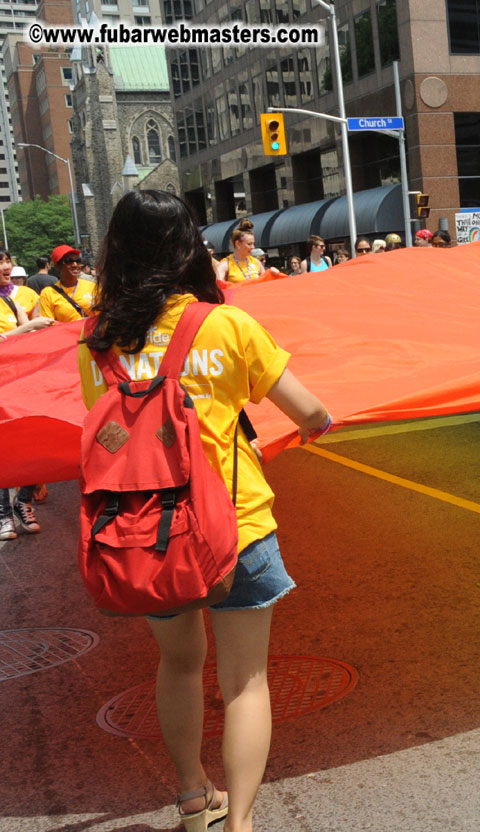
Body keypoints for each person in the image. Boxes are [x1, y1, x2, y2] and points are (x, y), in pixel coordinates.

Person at [78, 190, 330, 832]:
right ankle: (240, 824)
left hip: (148, 532)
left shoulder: (99, 338)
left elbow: (104, 429)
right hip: (236, 526)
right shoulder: (225, 325)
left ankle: (194, 800)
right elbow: (309, 412)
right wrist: (315, 424)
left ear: (118, 250)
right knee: (246, 680)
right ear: (192, 246)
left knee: (179, 664)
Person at [0, 248, 54, 540]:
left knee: (34, 441)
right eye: (0, 262)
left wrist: (33, 328)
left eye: (7, 261)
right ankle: (4, 515)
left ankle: (23, 500)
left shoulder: (15, 298)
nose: (6, 266)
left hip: (22, 384)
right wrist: (28, 328)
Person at [38, 244, 96, 322]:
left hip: (92, 333)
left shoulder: (93, 287)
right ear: (58, 266)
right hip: (66, 334)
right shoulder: (48, 293)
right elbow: (48, 326)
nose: (75, 264)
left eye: (78, 261)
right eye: (69, 261)